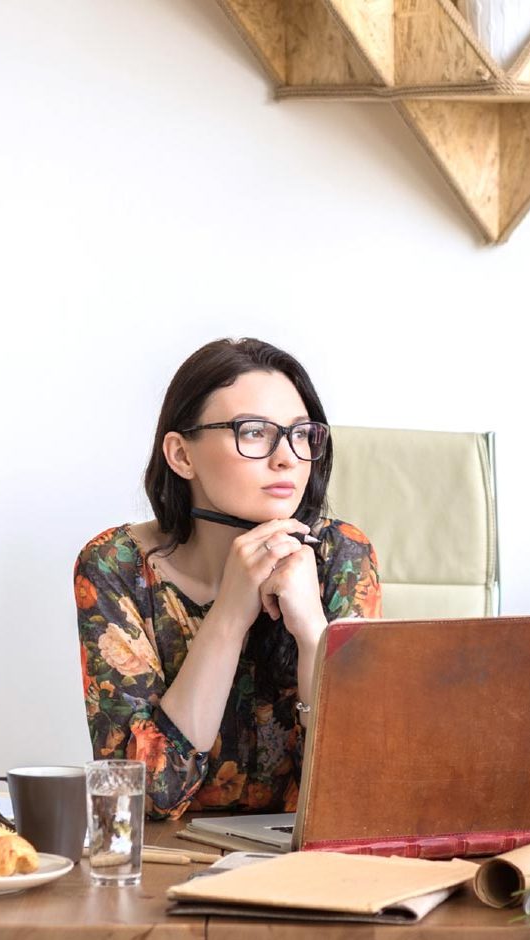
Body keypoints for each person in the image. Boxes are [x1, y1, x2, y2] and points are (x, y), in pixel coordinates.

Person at [74, 338, 381, 819]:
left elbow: (366, 784)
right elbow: (142, 799)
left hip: (309, 864)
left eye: (301, 434)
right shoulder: (116, 565)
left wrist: (312, 632)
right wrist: (231, 615)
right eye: (254, 432)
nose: (287, 458)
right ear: (181, 455)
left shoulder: (342, 554)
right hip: (163, 865)